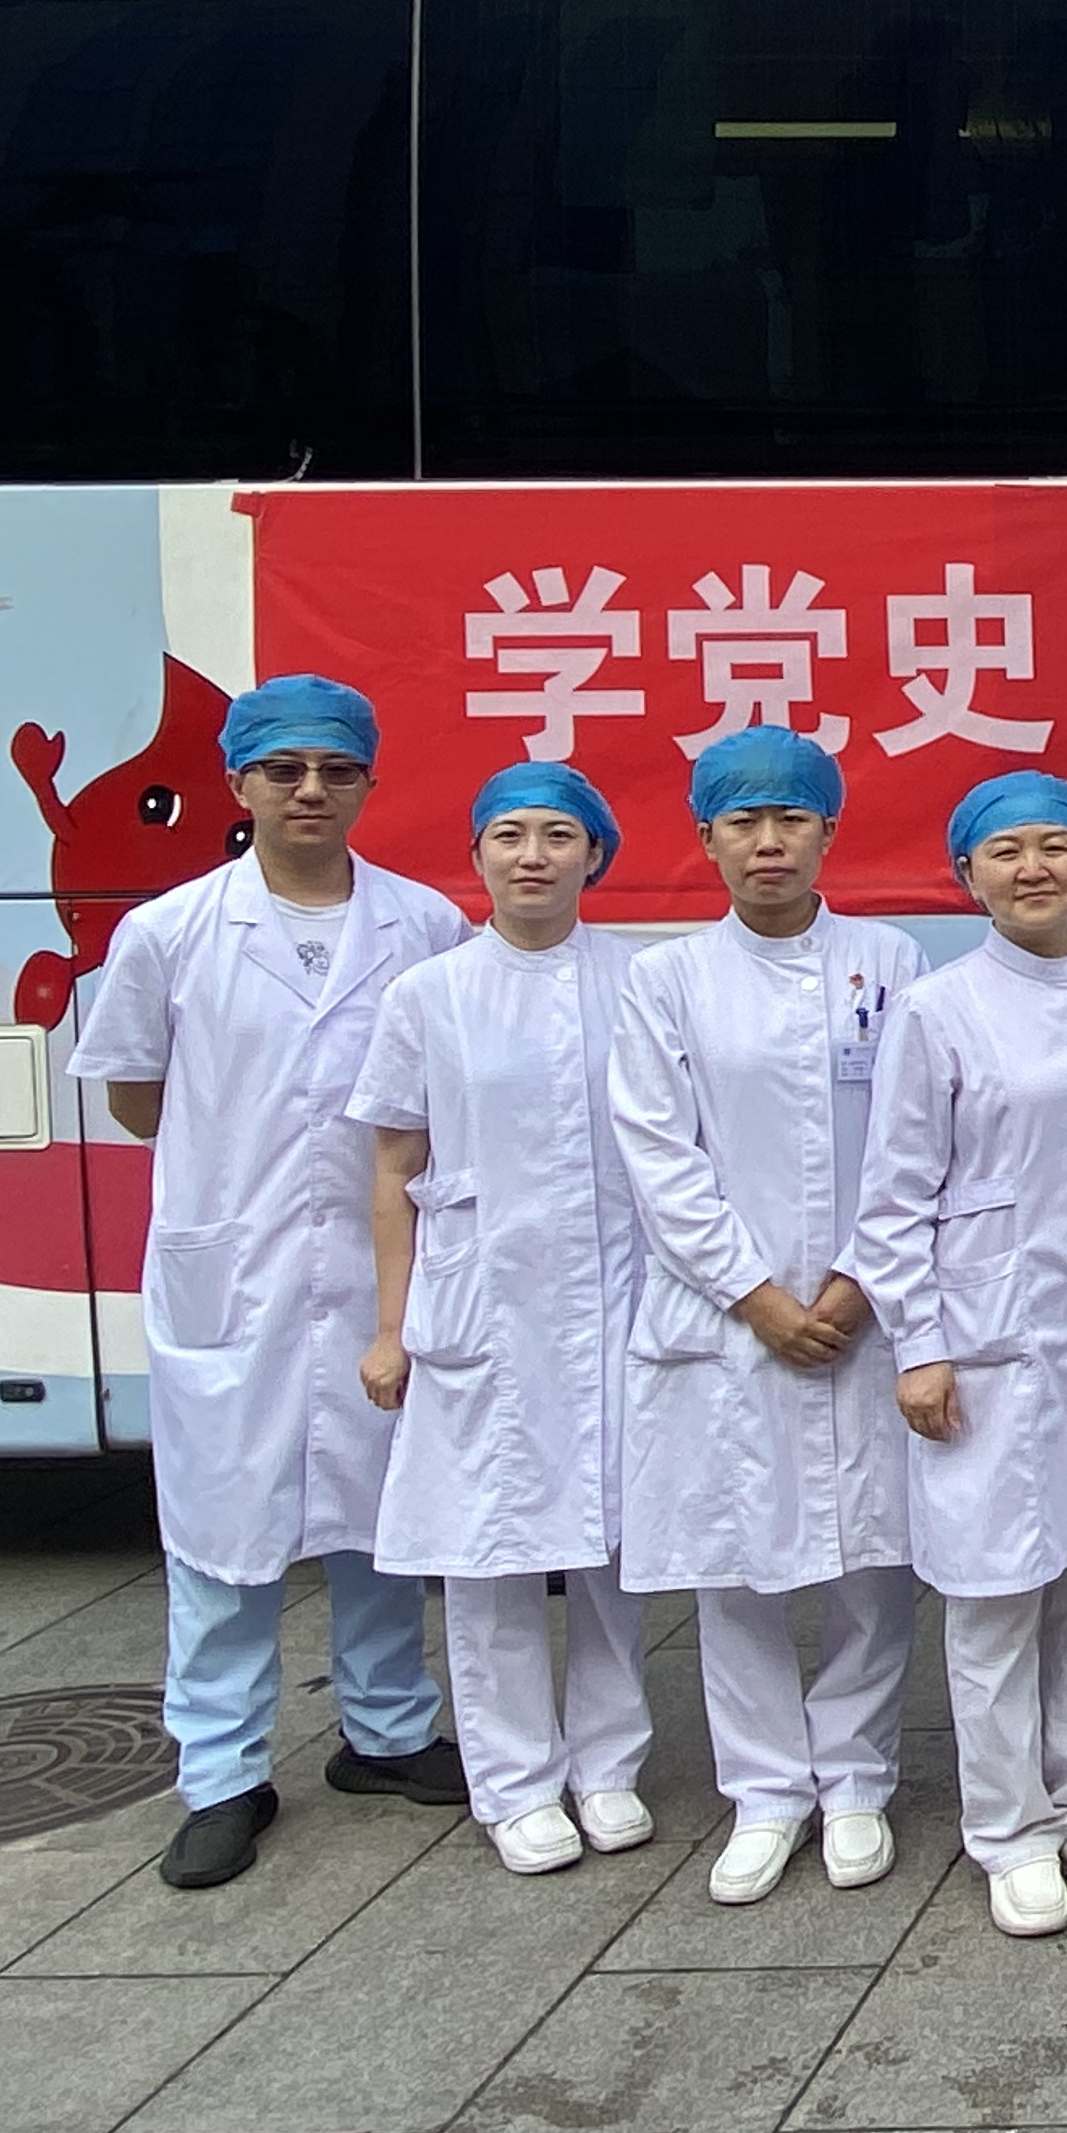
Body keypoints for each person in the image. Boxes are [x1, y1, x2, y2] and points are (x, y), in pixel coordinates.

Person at [78, 675, 475, 1892]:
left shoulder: (424, 925)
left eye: (336, 770)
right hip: (233, 1272)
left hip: (377, 1267)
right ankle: (220, 1775)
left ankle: (386, 1732)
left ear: (368, 783)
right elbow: (137, 1095)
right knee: (221, 1530)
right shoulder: (169, 932)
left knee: (382, 1517)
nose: (311, 790)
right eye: (284, 770)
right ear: (238, 784)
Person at [855, 772, 1067, 1938]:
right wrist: (919, 1346)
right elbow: (894, 1198)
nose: (1034, 868)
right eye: (1005, 851)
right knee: (997, 1591)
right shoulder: (938, 1009)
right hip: (990, 1342)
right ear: (968, 875)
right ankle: (1008, 1829)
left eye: (1056, 845)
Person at [607, 728, 922, 1909]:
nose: (769, 843)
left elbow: (914, 1140)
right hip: (726, 1319)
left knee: (872, 1559)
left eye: (792, 820)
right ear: (706, 839)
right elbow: (659, 1157)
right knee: (732, 1561)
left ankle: (857, 1780)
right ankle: (765, 1790)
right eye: (743, 823)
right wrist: (758, 1297)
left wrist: (854, 1282)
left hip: (863, 1307)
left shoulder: (891, 962)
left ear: (829, 832)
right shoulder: (667, 980)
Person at [352, 761, 653, 1876]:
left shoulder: (640, 982)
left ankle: (609, 1764)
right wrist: (390, 1327)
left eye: (559, 836)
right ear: (476, 855)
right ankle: (516, 1782)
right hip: (479, 1302)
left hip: (619, 1295)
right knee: (488, 1550)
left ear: (595, 856)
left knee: (620, 1546)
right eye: (510, 835)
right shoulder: (428, 995)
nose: (534, 856)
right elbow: (395, 1166)